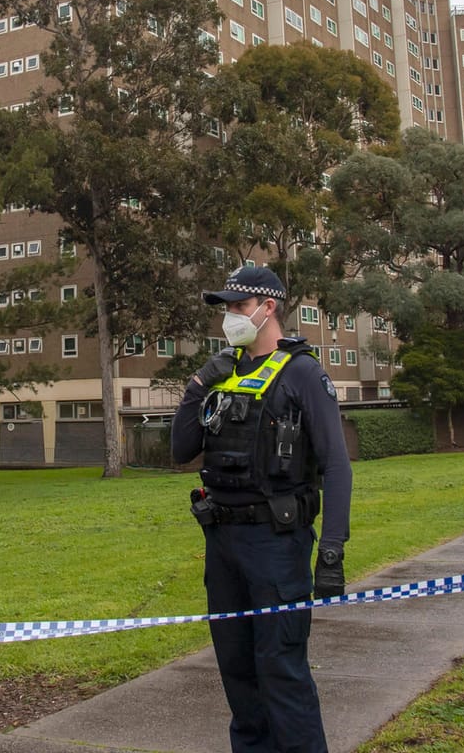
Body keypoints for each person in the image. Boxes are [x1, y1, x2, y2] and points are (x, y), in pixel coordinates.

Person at [170, 265, 351, 753]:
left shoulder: (303, 374)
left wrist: (331, 551)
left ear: (268, 308)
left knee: (281, 673)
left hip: (276, 545)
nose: (229, 317)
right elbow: (181, 449)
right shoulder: (224, 375)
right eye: (226, 308)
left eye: (237, 306)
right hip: (223, 545)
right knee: (238, 674)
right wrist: (195, 386)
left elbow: (337, 466)